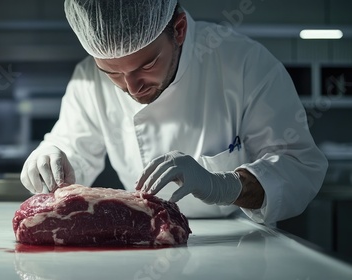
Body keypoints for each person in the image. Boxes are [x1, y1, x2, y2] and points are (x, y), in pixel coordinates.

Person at [20, 0, 328, 225]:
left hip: (238, 241)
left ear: (178, 30)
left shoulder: (246, 64)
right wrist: (52, 158)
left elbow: (299, 167)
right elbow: (73, 151)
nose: (132, 87)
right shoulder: (87, 78)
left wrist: (224, 185)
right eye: (112, 73)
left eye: (148, 64)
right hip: (145, 236)